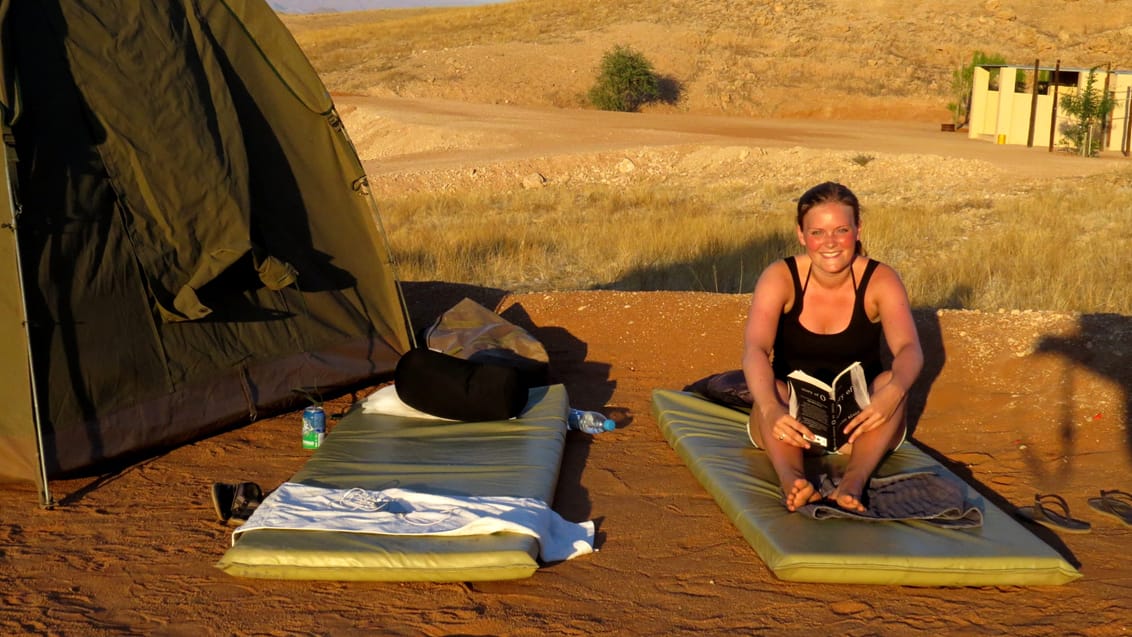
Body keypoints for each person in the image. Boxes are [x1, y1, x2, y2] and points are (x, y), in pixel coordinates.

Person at [741, 181, 923, 513]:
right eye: (818, 232)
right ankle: (793, 480)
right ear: (800, 234)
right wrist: (770, 408)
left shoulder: (880, 280)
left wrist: (892, 392)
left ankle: (853, 483)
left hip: (862, 428)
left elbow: (910, 348)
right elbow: (755, 348)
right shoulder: (780, 277)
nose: (830, 243)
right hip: (792, 425)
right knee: (774, 389)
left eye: (841, 229)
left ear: (858, 229)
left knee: (888, 383)